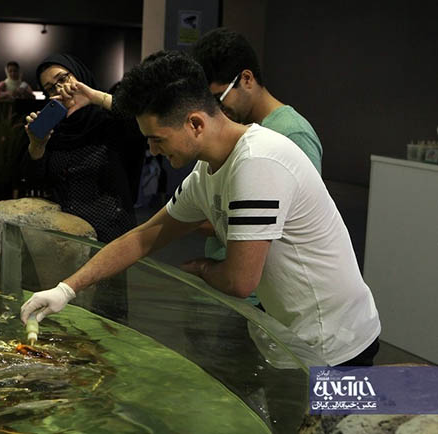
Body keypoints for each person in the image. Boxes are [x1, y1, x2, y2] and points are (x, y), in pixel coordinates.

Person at [20, 51, 381, 368]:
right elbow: (143, 237)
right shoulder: (205, 172)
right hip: (292, 338)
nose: (153, 151)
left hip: (338, 346)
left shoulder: (258, 163)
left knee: (337, 419)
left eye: (157, 139)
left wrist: (202, 268)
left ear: (195, 123)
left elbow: (240, 281)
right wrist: (66, 289)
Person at [20, 53, 145, 321]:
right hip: (65, 237)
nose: (60, 89)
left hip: (109, 234)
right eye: (50, 88)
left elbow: (141, 122)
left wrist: (93, 97)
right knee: (64, 313)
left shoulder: (109, 120)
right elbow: (33, 181)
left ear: (78, 75)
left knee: (106, 315)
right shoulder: (54, 129)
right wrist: (37, 146)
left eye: (63, 78)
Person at [192, 27, 324, 270]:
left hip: (259, 281)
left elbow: (297, 221)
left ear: (247, 79)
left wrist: (197, 220)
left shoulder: (292, 133)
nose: (216, 111)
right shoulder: (233, 127)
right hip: (224, 270)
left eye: (219, 98)